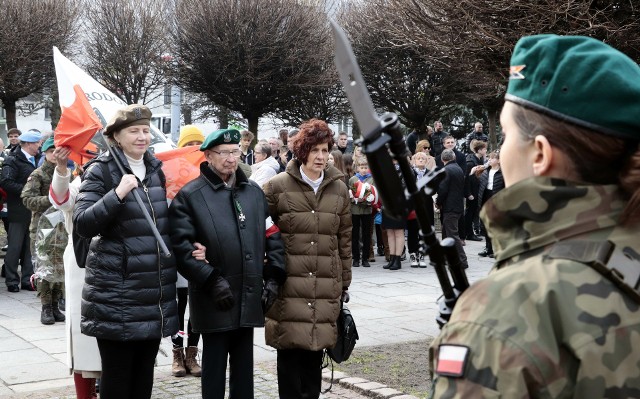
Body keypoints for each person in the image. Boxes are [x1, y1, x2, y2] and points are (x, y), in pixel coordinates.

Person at [429, 34, 640, 397]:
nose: (502, 149)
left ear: (540, 153)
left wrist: (476, 326)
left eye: (508, 134)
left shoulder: (509, 310)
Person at [73, 104, 179, 399]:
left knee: (143, 378)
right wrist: (117, 193)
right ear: (116, 136)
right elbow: (83, 223)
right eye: (134, 131)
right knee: (118, 380)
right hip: (117, 294)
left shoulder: (155, 170)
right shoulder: (101, 170)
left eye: (146, 130)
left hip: (152, 293)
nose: (142, 137)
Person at [169, 128, 286, 399]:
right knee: (214, 371)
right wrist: (210, 279)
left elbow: (271, 233)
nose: (231, 158)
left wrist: (274, 275)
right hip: (215, 299)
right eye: (224, 153)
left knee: (244, 370)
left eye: (235, 152)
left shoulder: (253, 192)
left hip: (248, 294)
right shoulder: (191, 196)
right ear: (208, 155)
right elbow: (182, 248)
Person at [263, 119, 352, 399]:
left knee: (315, 356)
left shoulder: (339, 188)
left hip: (325, 283)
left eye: (325, 150)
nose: (321, 157)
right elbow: (258, 227)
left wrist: (344, 282)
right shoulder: (277, 186)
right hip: (289, 284)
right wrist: (268, 269)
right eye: (315, 150)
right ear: (302, 151)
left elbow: (345, 239)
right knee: (290, 356)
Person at [48, 146, 101, 399]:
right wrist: (61, 170)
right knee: (84, 340)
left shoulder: (128, 180)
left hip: (125, 267)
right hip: (83, 267)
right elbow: (61, 198)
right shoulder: (80, 184)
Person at [172, 125, 206, 378]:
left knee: (196, 309)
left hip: (199, 254)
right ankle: (176, 353)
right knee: (177, 308)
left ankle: (192, 354)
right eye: (188, 145)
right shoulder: (170, 176)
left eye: (197, 146)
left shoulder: (206, 178)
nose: (192, 151)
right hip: (176, 255)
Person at [21, 136, 65, 324]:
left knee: (59, 269)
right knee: (44, 269)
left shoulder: (65, 173)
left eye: (58, 151)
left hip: (61, 230)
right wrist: (51, 199)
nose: (55, 155)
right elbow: (27, 199)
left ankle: (55, 305)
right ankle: (45, 307)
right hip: (42, 231)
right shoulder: (38, 174)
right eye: (51, 151)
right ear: (45, 153)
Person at [0, 129, 41, 292]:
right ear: (29, 144)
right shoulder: (13, 160)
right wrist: (27, 190)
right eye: (37, 142)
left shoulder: (37, 159)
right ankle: (11, 280)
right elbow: (6, 182)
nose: (39, 145)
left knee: (29, 247)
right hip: (18, 210)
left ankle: (27, 279)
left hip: (33, 209)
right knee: (15, 246)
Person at [435, 149, 468, 269]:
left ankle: (462, 261)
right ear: (453, 157)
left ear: (442, 159)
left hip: (450, 207)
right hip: (457, 205)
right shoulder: (458, 168)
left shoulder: (446, 170)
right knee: (445, 233)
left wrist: (438, 202)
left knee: (452, 234)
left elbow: (443, 190)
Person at [349, 157, 375, 268]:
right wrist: (355, 199)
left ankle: (365, 258)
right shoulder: (353, 179)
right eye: (361, 167)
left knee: (366, 234)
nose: (364, 170)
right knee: (355, 234)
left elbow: (374, 193)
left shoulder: (372, 179)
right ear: (357, 168)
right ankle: (356, 258)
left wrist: (370, 198)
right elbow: (350, 193)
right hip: (355, 210)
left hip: (367, 210)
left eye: (366, 167)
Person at [477, 151, 504, 258]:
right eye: (489, 158)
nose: (490, 160)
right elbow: (480, 184)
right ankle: (488, 248)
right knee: (486, 225)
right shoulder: (485, 171)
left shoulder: (502, 173)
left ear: (498, 160)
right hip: (485, 198)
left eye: (492, 158)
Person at [463, 140, 487, 241]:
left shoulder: (479, 159)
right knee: (470, 213)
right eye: (485, 149)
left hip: (477, 190)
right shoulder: (470, 162)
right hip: (472, 192)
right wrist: (468, 194)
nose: (486, 150)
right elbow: (467, 179)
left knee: (473, 212)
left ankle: (471, 233)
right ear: (480, 150)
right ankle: (469, 234)